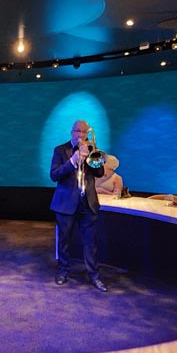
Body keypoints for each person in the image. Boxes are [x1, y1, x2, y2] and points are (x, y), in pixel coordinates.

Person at [50, 120, 107, 292]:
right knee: (64, 241)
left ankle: (94, 276)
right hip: (66, 204)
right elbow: (54, 175)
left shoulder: (92, 150)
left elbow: (100, 173)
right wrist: (73, 160)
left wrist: (90, 156)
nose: (80, 135)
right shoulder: (60, 150)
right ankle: (63, 272)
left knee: (90, 243)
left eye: (84, 132)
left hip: (87, 203)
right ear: (71, 132)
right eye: (77, 131)